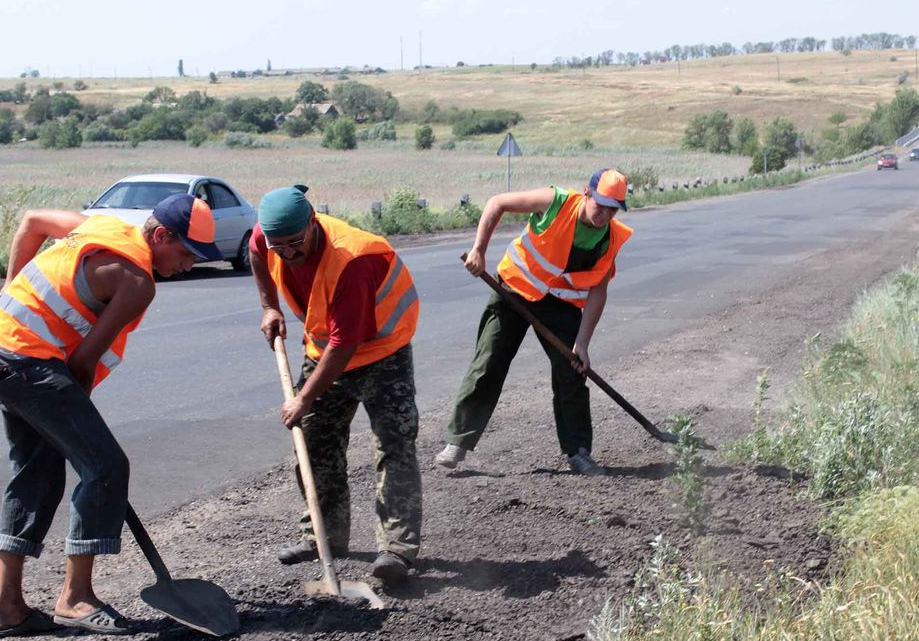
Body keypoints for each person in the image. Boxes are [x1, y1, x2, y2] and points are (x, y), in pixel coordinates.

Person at [0, 194, 222, 638]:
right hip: (33, 364)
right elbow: (83, 364)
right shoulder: (137, 281)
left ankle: (8, 608)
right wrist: (78, 420)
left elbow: (32, 218)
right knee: (105, 466)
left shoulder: (99, 225)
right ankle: (75, 598)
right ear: (162, 235)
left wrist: (9, 291)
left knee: (36, 473)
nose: (190, 264)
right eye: (187, 252)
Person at [249, 185, 421, 586]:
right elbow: (256, 253)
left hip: (382, 354)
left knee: (394, 446)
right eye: (280, 246)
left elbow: (346, 346)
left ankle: (396, 549)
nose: (288, 254)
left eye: (295, 243)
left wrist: (303, 398)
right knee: (313, 442)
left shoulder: (353, 259)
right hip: (325, 348)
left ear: (313, 221)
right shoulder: (267, 237)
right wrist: (269, 305)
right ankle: (323, 538)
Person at [436, 169, 634, 476]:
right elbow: (497, 203)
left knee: (572, 370)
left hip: (558, 304)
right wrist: (479, 249)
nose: (606, 214)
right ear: (588, 193)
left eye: (613, 208)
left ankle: (579, 452)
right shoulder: (555, 202)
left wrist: (582, 343)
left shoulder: (611, 237)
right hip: (512, 290)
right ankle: (458, 441)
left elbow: (598, 292)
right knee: (487, 363)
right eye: (602, 204)